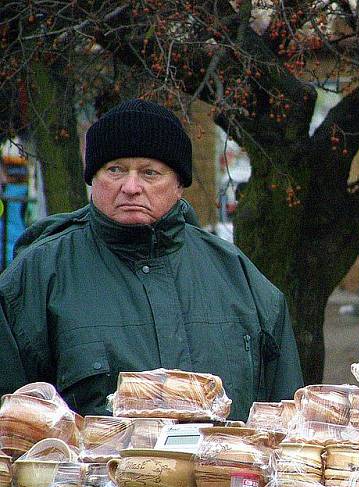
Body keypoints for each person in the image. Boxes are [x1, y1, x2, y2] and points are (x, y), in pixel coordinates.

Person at [0, 99, 304, 421]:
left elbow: (285, 432)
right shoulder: (36, 278)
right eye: (115, 169)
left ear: (179, 186)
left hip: (219, 471)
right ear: (93, 178)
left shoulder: (241, 282)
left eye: (150, 173)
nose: (131, 187)